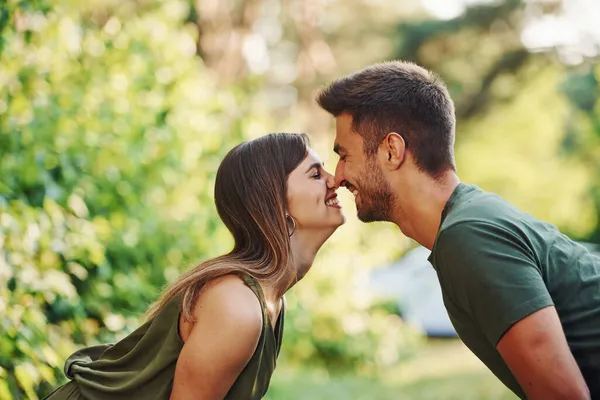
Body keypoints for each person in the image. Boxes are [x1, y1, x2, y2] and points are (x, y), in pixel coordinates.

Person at [316, 61, 600, 400]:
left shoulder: (469, 236)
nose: (338, 176)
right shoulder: (467, 224)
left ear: (392, 150)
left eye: (345, 155)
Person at [43, 133, 345, 400]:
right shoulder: (237, 306)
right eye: (315, 174)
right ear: (275, 204)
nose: (335, 180)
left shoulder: (269, 300)